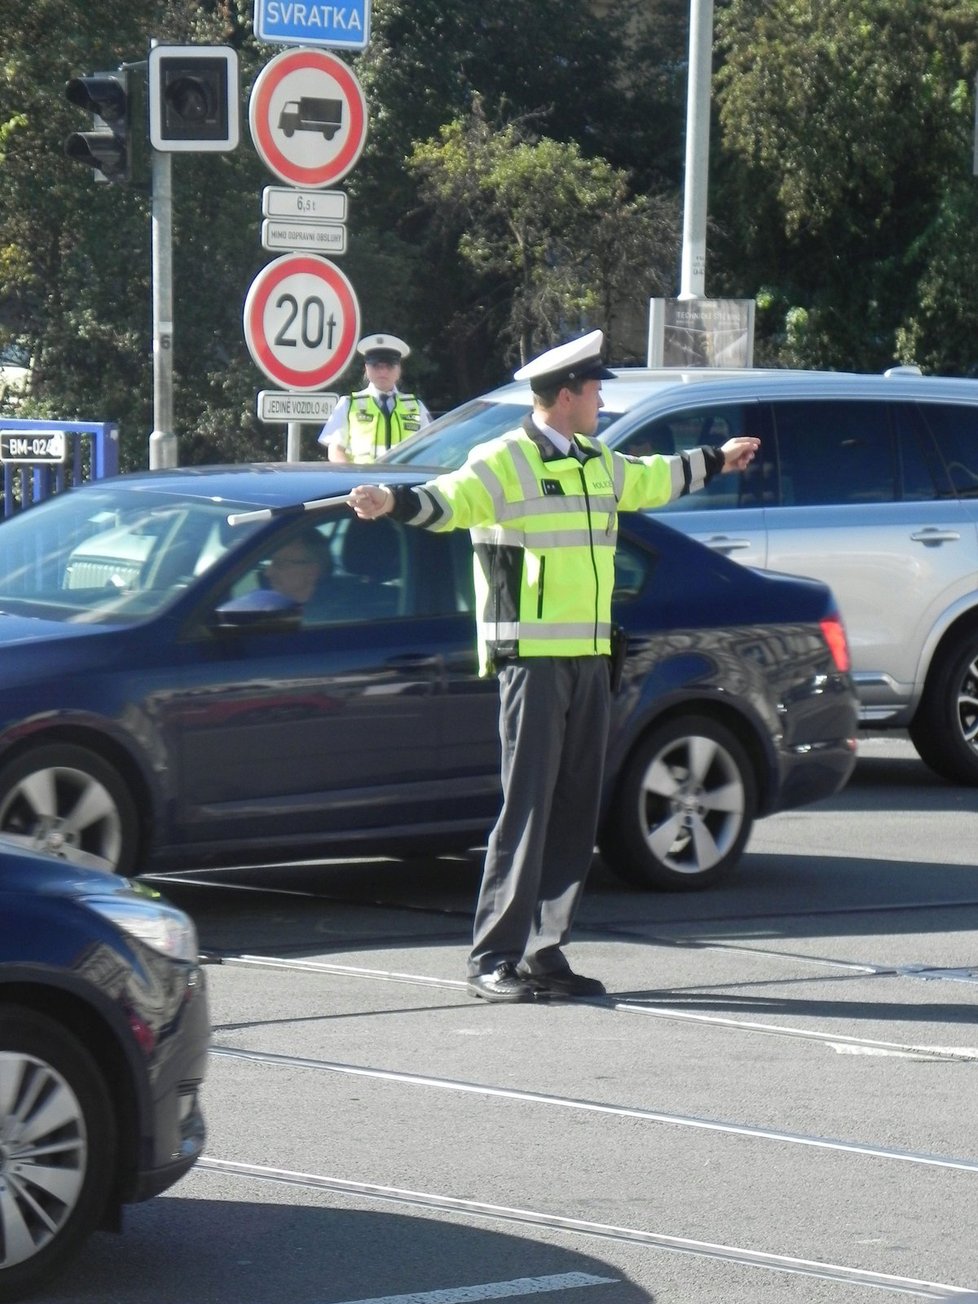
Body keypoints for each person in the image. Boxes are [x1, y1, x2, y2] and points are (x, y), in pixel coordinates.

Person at [348, 330, 760, 1003]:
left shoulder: (596, 460)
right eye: (595, 390)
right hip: (533, 660)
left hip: (590, 657)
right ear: (565, 396)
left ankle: (544, 950)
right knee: (528, 809)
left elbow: (655, 478)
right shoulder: (504, 459)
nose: (602, 400)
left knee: (574, 811)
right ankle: (493, 957)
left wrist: (718, 459)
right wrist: (391, 500)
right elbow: (448, 502)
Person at [318, 334, 431, 463]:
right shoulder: (348, 405)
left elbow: (431, 448)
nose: (383, 372)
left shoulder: (416, 407)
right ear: (366, 368)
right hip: (362, 481)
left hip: (406, 480)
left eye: (389, 366)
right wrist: (351, 480)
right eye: (376, 366)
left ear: (399, 370)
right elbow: (336, 451)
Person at [264, 530, 331, 611]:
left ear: (312, 572)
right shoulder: (266, 602)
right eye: (271, 562)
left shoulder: (330, 616)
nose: (267, 573)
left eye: (280, 564)